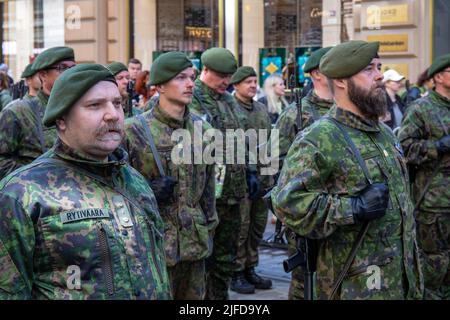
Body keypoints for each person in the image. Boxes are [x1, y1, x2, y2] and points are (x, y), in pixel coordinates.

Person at [0, 63, 171, 299]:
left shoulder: (134, 180)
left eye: (118, 103)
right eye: (94, 105)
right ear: (61, 119)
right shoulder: (21, 194)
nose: (112, 114)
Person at [271, 40, 423, 300]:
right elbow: (287, 203)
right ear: (341, 80)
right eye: (368, 70)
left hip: (401, 279)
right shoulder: (320, 137)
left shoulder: (384, 134)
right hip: (355, 285)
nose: (379, 76)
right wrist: (352, 208)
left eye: (379, 67)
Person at [124, 52, 218, 299]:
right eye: (180, 78)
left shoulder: (203, 130)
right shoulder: (133, 131)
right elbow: (113, 190)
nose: (190, 84)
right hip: (152, 245)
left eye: (192, 77)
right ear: (160, 86)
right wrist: (145, 190)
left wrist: (209, 229)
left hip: (194, 244)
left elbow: (209, 189)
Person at [269, 47, 334, 300]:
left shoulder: (348, 111)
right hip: (307, 214)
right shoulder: (295, 113)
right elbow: (273, 163)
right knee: (304, 284)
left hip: (340, 213)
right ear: (317, 73)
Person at [189, 47, 248, 300]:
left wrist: (252, 171)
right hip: (207, 196)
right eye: (221, 76)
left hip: (233, 193)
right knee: (203, 260)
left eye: (229, 76)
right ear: (205, 71)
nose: (227, 81)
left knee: (226, 258)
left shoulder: (229, 100)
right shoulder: (192, 98)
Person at [398, 53, 450, 300]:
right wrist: (437, 146)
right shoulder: (422, 108)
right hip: (432, 204)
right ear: (438, 77)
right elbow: (403, 148)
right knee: (433, 266)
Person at [0, 46, 76, 180]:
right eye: (62, 68)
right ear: (43, 75)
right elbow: (2, 161)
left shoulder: (77, 109)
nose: (70, 73)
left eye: (73, 68)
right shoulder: (18, 111)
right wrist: (38, 178)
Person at [228, 66, 273, 294]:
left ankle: (250, 268)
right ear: (236, 85)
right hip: (242, 178)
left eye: (255, 81)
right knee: (241, 226)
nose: (253, 85)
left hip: (263, 178)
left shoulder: (261, 109)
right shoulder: (231, 109)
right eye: (248, 82)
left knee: (257, 226)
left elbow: (268, 142)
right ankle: (236, 271)